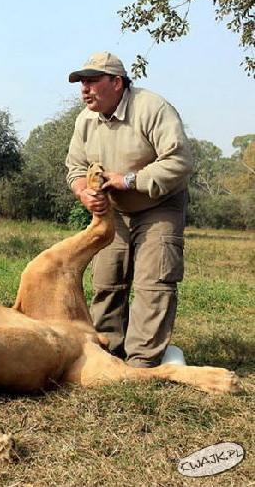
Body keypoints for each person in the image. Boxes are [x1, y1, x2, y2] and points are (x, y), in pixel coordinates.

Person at [65, 52, 193, 368]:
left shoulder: (152, 108)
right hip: (114, 211)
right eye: (82, 82)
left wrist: (129, 180)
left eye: (92, 81)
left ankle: (143, 362)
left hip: (159, 205)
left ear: (117, 82)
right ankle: (107, 354)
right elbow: (75, 168)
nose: (85, 89)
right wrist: (84, 192)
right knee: (107, 283)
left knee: (154, 283)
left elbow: (179, 162)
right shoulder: (85, 120)